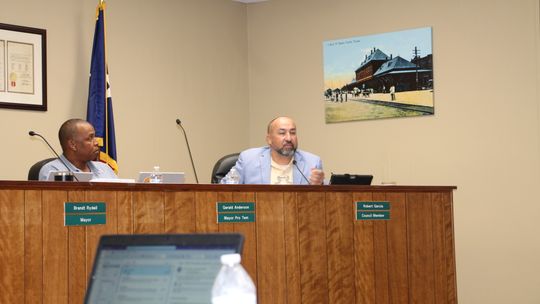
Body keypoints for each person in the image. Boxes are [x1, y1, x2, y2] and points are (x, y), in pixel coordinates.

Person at [221, 116, 325, 185]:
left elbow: (324, 201)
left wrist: (320, 186)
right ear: (269, 139)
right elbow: (223, 191)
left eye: (292, 133)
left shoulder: (312, 162)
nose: (289, 138)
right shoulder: (248, 159)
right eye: (282, 133)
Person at [38, 118, 118, 181]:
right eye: (90, 138)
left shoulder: (105, 168)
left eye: (94, 137)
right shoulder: (53, 170)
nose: (96, 143)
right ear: (73, 144)